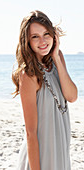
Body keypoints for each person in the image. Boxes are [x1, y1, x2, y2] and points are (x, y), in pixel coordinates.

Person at [12, 10, 77, 170]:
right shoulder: (28, 75)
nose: (42, 41)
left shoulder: (58, 58)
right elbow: (31, 133)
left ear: (53, 35)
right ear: (27, 41)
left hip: (60, 148)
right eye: (35, 36)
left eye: (46, 34)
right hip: (40, 155)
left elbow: (72, 96)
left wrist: (56, 57)